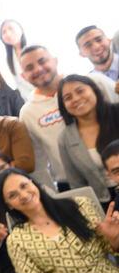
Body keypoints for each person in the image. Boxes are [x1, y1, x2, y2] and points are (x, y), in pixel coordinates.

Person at [0, 168, 119, 273]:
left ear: (33, 183)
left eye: (24, 186)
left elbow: (110, 248)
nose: (23, 195)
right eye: (13, 195)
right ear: (8, 205)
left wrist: (114, 238)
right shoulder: (17, 240)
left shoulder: (79, 205)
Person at [18, 44, 118, 188]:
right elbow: (38, 162)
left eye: (42, 61)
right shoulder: (27, 113)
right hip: (73, 183)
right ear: (23, 76)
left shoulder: (94, 81)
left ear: (55, 61)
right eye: (29, 68)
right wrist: (52, 197)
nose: (38, 69)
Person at [57, 74, 119, 203]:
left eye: (80, 91)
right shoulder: (65, 139)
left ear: (94, 90)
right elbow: (77, 184)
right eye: (68, 98)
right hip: (104, 203)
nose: (75, 99)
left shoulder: (116, 112)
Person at [0, 19, 34, 100]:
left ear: (21, 29)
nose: (8, 34)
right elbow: (19, 85)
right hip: (31, 100)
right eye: (4, 32)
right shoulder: (9, 58)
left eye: (10, 28)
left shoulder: (34, 46)